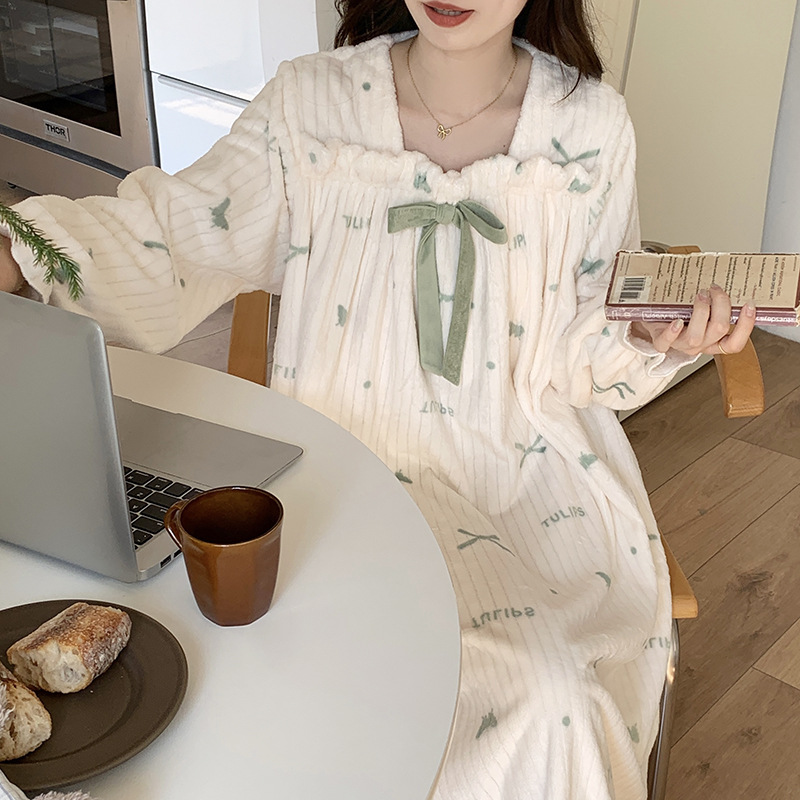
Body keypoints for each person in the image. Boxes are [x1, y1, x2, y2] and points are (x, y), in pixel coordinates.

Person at [0, 1, 755, 797]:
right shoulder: (310, 104)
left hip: (527, 482)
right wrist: (23, 254)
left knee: (546, 700)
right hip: (339, 469)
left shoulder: (591, 127)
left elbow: (581, 351)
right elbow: (175, 231)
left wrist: (651, 337)